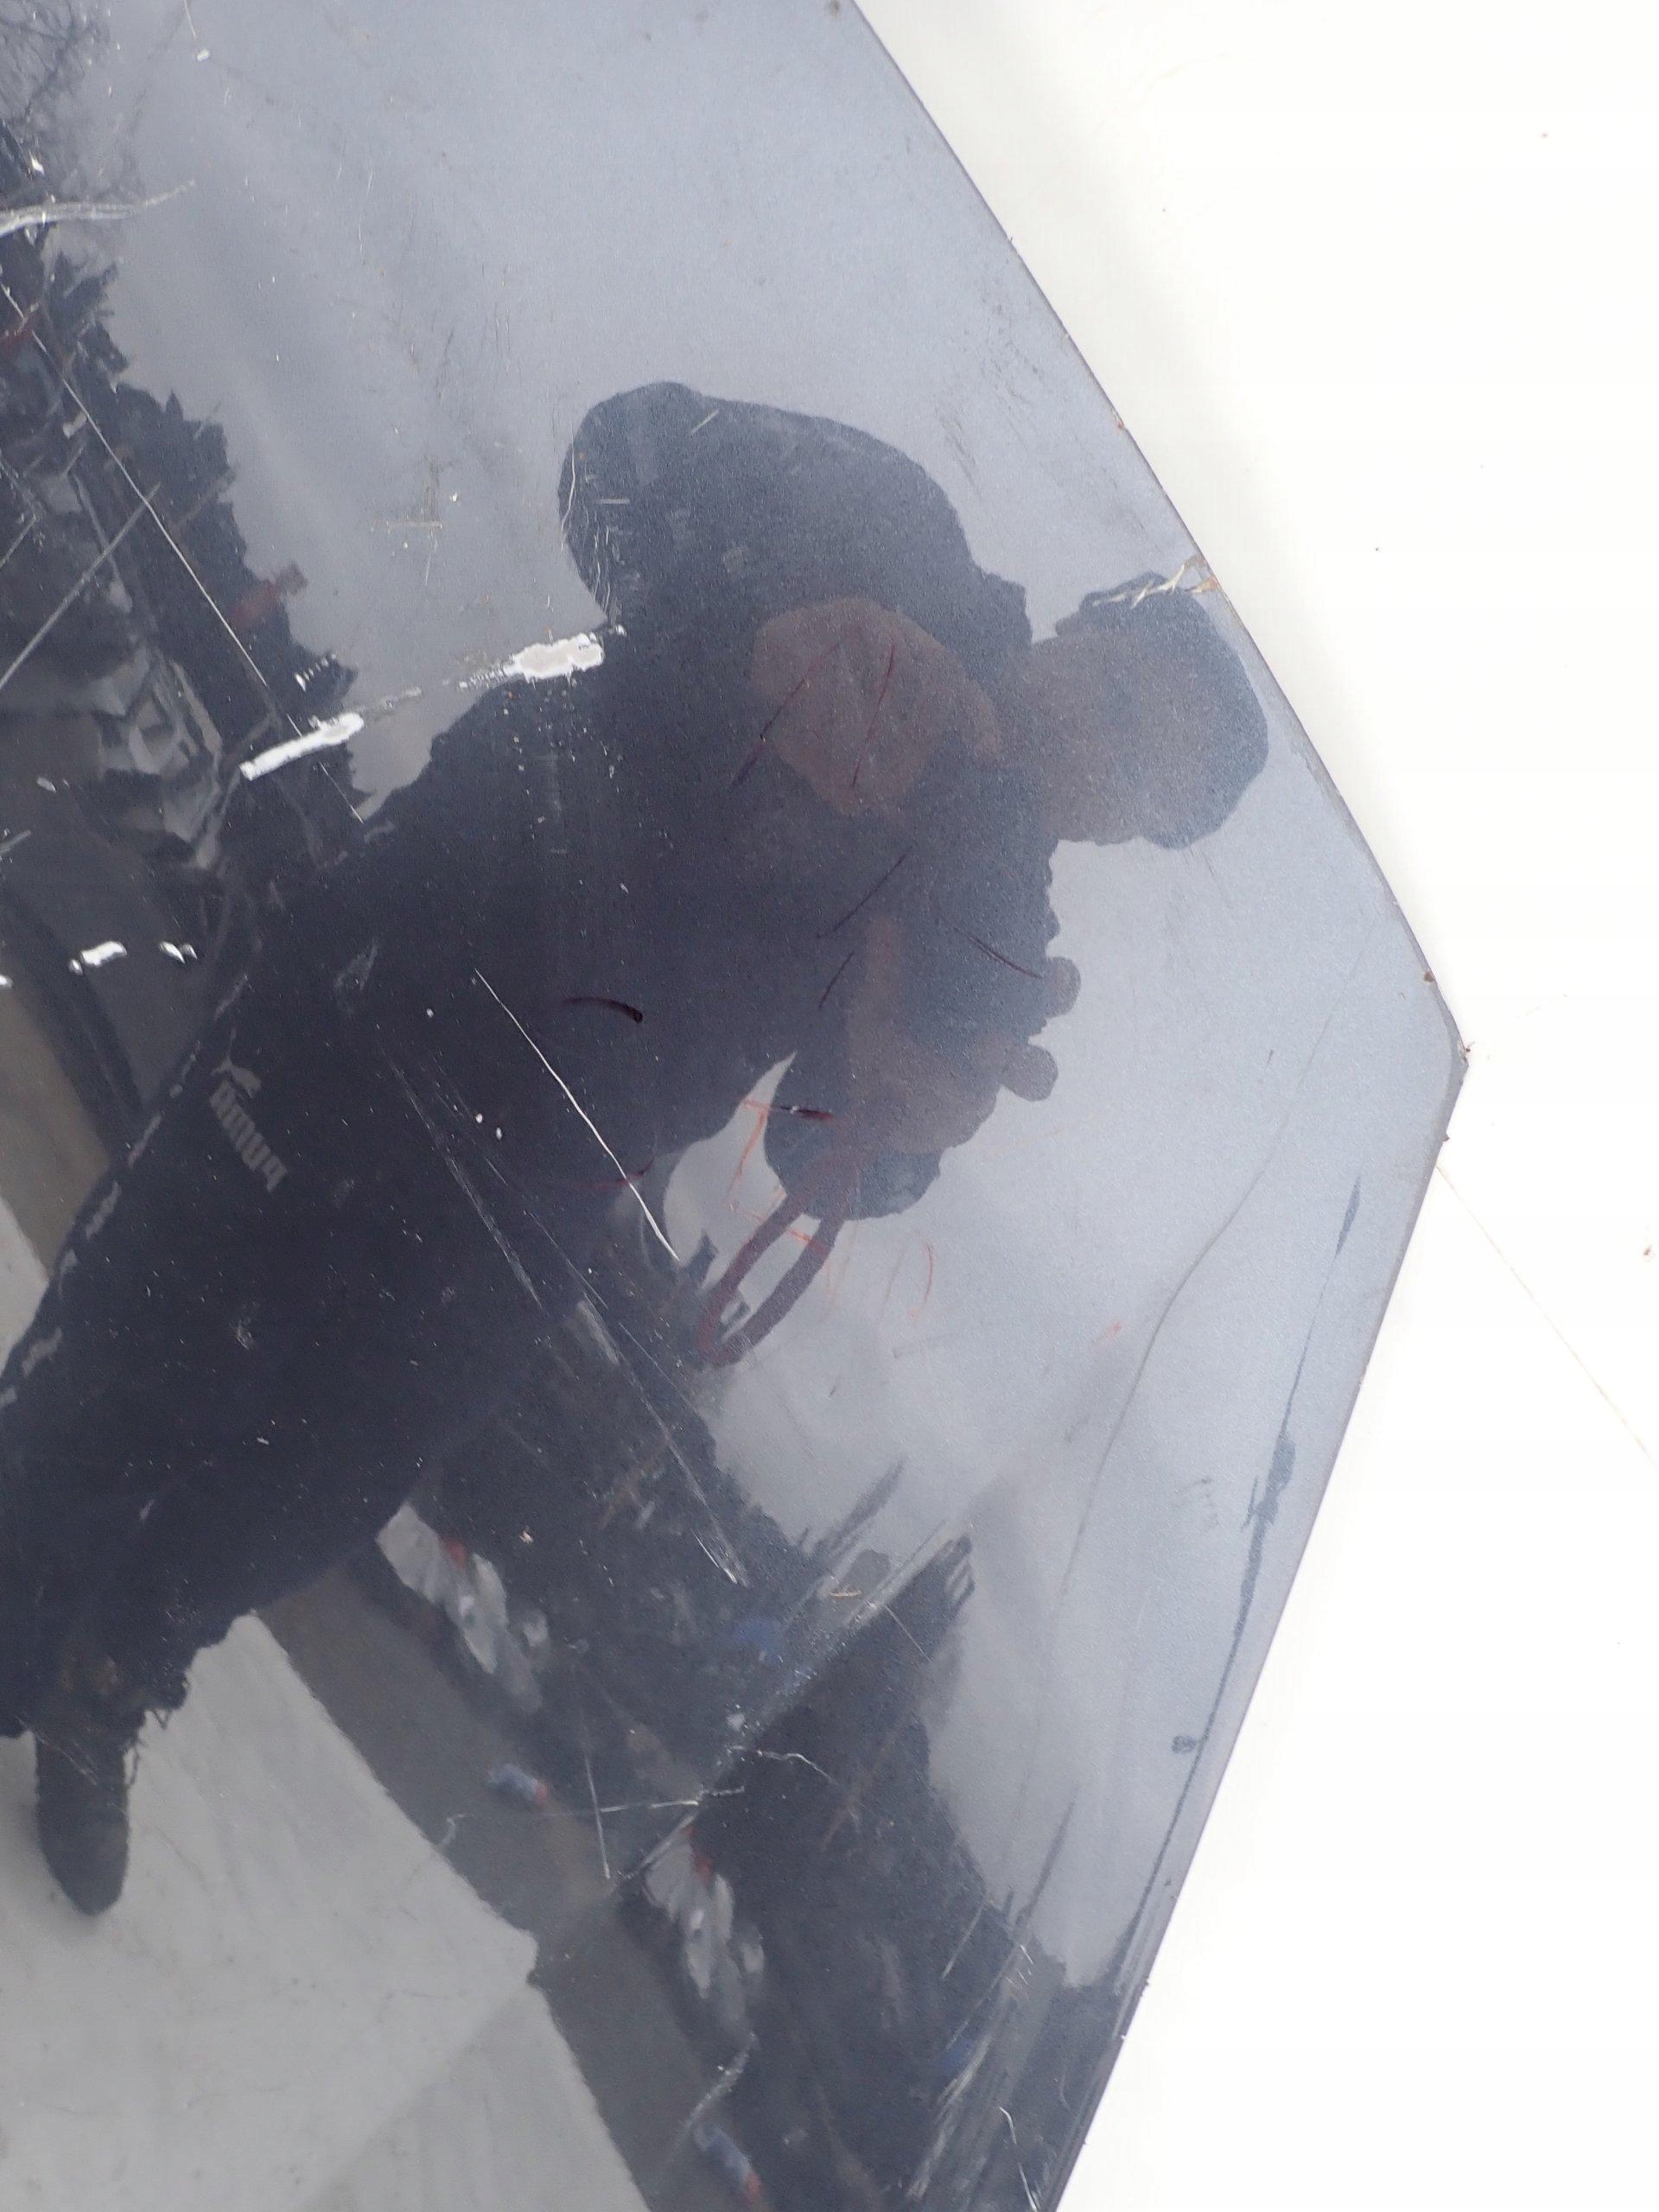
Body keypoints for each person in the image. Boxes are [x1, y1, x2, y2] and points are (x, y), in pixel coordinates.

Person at [0, 382, 1263, 1915]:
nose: (1091, 753)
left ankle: (119, 1672)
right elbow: (613, 455)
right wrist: (754, 639)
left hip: (543, 1187)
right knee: (132, 1349)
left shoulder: (990, 920)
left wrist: (895, 1135)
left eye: (1138, 785)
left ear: (1131, 836)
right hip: (386, 985)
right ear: (1077, 627)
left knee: (320, 1474)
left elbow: (817, 1155)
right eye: (1118, 696)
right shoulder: (894, 535)